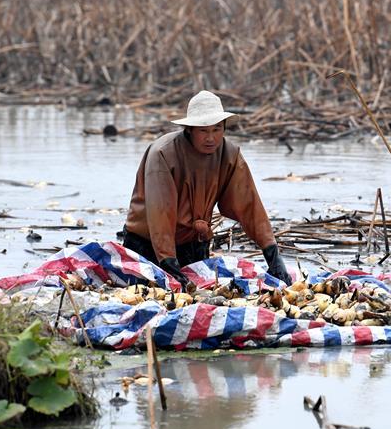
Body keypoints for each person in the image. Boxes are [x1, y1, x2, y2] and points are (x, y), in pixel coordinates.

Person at [122, 90, 292, 287]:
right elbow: (161, 212)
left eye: (216, 129)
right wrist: (168, 261)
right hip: (148, 245)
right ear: (189, 129)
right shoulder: (163, 153)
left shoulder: (230, 154)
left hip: (193, 244)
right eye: (203, 130)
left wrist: (272, 253)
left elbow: (249, 204)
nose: (211, 138)